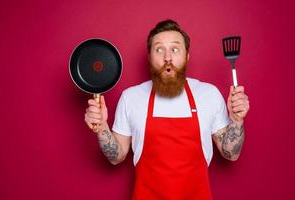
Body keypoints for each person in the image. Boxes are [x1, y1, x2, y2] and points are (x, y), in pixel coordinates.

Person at [84, 19, 250, 200]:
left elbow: (231, 154)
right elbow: (116, 157)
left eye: (175, 49)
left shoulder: (208, 94)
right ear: (150, 57)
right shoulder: (131, 97)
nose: (167, 57)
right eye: (159, 49)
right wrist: (101, 128)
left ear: (187, 56)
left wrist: (236, 119)